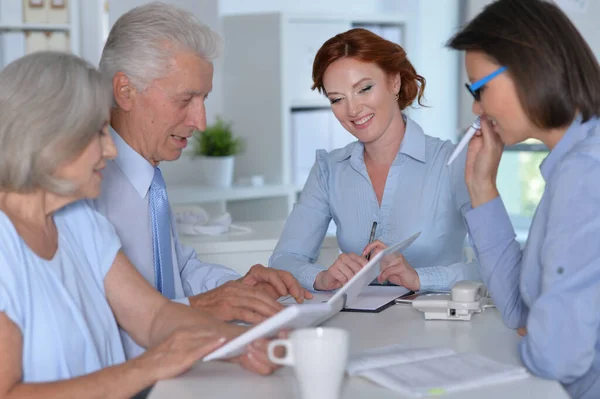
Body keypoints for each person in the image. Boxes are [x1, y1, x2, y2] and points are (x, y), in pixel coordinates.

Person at [0, 51, 278, 399]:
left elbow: (153, 317)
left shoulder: (80, 222)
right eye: (98, 134)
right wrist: (147, 367)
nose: (112, 150)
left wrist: (247, 344)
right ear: (51, 139)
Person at [93, 2, 310, 359]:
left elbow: (177, 268)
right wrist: (201, 307)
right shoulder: (86, 186)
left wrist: (236, 288)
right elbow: (99, 329)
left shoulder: (151, 180)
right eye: (186, 99)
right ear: (125, 91)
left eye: (203, 98)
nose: (201, 120)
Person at [447, 0, 600, 398]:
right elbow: (519, 307)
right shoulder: (572, 165)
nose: (477, 108)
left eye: (480, 89)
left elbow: (559, 357)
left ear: (529, 67)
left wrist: (541, 335)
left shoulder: (586, 173)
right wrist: (482, 187)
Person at [270, 28, 480, 292]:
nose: (353, 110)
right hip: (358, 328)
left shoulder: (454, 161)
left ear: (394, 82)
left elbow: (494, 264)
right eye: (337, 99)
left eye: (364, 89)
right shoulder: (329, 170)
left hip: (443, 327)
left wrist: (420, 278)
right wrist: (323, 277)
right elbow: (283, 261)